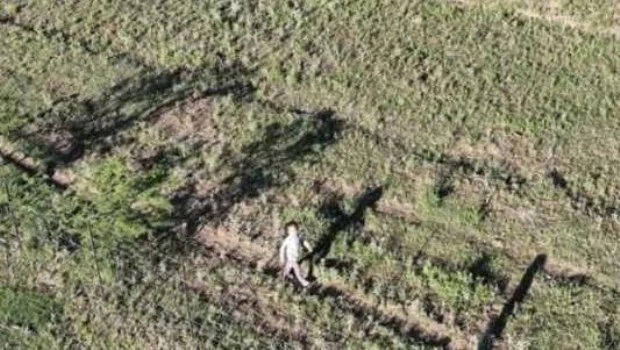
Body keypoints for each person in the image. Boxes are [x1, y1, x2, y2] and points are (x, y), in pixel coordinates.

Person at [279, 221, 312, 287]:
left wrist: (309, 248)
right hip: (290, 259)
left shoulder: (299, 237)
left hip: (295, 259)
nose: (292, 232)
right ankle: (304, 283)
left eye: (294, 230)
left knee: (288, 272)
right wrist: (282, 258)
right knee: (294, 272)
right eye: (290, 230)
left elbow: (304, 242)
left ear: (297, 230)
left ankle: (289, 280)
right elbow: (282, 248)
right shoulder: (288, 239)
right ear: (288, 231)